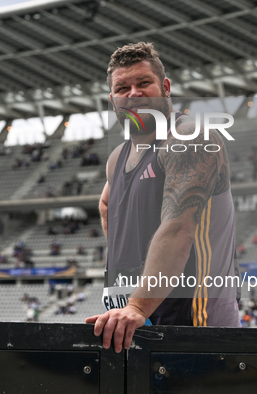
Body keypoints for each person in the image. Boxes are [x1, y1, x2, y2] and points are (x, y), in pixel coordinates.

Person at [86, 42, 240, 353]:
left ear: (165, 87)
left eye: (144, 83)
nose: (134, 93)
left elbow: (178, 228)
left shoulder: (191, 138)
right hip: (134, 320)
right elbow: (106, 205)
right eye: (122, 87)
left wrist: (139, 307)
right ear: (112, 99)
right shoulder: (118, 157)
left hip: (197, 326)